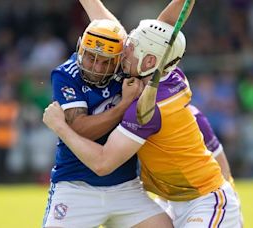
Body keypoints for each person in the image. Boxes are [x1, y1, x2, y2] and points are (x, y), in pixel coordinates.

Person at [43, 18, 242, 228]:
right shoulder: (172, 75)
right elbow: (152, 26)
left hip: (201, 199)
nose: (125, 51)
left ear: (148, 62)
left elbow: (102, 163)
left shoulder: (145, 108)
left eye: (131, 47)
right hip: (172, 202)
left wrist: (60, 127)